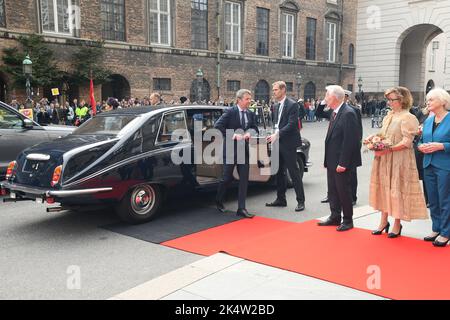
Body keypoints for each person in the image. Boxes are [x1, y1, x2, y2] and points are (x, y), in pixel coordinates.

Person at [369, 87, 428, 238]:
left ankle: (396, 224)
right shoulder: (389, 115)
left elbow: (407, 142)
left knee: (396, 190)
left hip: (399, 160)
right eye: (388, 99)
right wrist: (374, 140)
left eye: (392, 99)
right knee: (384, 189)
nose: (389, 102)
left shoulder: (408, 117)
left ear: (401, 100)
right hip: (384, 158)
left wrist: (388, 150)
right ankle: (383, 222)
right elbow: (384, 135)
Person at [316, 85, 361, 232]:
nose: (325, 98)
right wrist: (327, 161)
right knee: (333, 190)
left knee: (343, 190)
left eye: (327, 95)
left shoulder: (347, 113)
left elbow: (350, 141)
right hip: (331, 159)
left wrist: (343, 162)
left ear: (334, 97)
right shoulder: (335, 112)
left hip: (341, 161)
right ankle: (335, 216)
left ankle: (347, 219)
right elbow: (319, 113)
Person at [215, 89, 259, 218]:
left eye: (250, 99)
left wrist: (249, 133)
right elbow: (218, 126)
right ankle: (218, 199)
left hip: (243, 151)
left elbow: (255, 127)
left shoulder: (250, 114)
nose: (249, 101)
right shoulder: (230, 112)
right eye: (247, 99)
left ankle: (242, 208)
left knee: (244, 179)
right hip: (230, 150)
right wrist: (233, 135)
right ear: (239, 100)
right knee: (226, 178)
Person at [266, 81, 305, 212]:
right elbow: (276, 123)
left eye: (276, 89)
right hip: (277, 142)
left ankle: (301, 201)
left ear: (283, 90)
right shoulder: (276, 105)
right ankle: (281, 199)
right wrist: (273, 133)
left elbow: (292, 124)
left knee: (293, 172)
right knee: (278, 172)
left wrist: (277, 134)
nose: (274, 92)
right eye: (273, 90)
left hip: (288, 143)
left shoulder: (292, 105)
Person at [418, 88, 450, 247]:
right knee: (433, 200)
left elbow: (442, 144)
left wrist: (442, 146)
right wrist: (420, 146)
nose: (428, 102)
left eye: (431, 100)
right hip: (428, 164)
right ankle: (436, 228)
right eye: (427, 100)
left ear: (442, 101)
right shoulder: (428, 121)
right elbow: (421, 140)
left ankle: (446, 232)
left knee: (445, 200)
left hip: (445, 166)